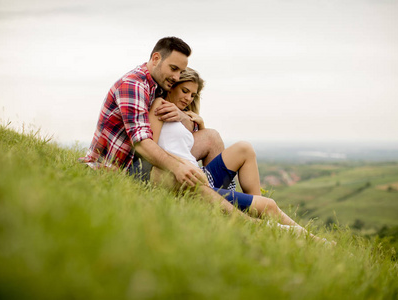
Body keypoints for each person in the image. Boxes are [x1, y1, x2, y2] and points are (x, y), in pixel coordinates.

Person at [148, 68, 332, 243]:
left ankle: (256, 206)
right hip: (186, 182)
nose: (188, 98)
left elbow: (187, 145)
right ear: (172, 86)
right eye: (184, 91)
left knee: (244, 148)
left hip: (200, 177)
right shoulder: (160, 106)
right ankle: (316, 241)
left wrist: (195, 123)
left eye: (193, 95)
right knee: (270, 206)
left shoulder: (182, 115)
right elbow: (152, 148)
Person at [79, 37, 224, 187]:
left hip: (139, 161)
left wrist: (182, 116)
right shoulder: (133, 84)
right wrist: (178, 167)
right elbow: (141, 143)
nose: (176, 77)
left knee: (211, 137)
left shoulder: (156, 85)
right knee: (179, 174)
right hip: (118, 168)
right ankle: (219, 198)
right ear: (156, 58)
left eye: (180, 72)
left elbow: (177, 133)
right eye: (173, 69)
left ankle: (220, 192)